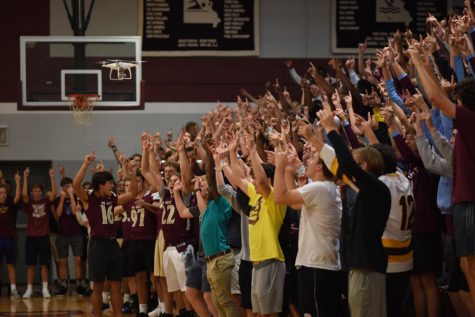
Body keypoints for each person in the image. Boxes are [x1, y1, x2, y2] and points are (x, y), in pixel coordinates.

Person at [314, 109, 391, 317]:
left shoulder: (377, 188)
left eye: (354, 164)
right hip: (361, 266)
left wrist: (331, 129)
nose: (347, 171)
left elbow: (345, 164)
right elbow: (340, 166)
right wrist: (313, 140)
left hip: (367, 268)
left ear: (364, 166)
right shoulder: (367, 189)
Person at [273, 146, 343, 317]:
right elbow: (295, 203)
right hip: (320, 264)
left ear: (320, 166)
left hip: (316, 265)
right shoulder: (326, 187)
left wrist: (280, 167)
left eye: (312, 158)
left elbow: (280, 197)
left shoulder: (319, 187)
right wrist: (289, 172)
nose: (307, 160)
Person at [73, 151, 137, 317]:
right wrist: (86, 164)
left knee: (116, 285)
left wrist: (132, 172)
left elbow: (133, 194)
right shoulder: (89, 199)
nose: (113, 185)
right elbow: (75, 185)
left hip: (112, 244)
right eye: (110, 183)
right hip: (97, 246)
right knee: (98, 287)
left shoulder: (112, 198)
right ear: (101, 185)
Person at [230, 133, 287, 317]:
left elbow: (261, 181)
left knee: (270, 314)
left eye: (255, 177)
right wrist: (231, 153)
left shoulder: (273, 198)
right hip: (257, 262)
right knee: (261, 313)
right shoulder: (256, 196)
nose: (253, 180)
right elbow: (238, 179)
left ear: (270, 181)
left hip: (270, 259)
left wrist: (253, 150)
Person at [21, 167, 57, 299]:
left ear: (42, 193)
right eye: (34, 191)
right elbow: (24, 195)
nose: (37, 193)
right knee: (30, 265)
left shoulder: (45, 202)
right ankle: (29, 289)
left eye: (39, 191)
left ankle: (45, 288)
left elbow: (53, 193)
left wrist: (52, 177)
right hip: (31, 237)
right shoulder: (29, 202)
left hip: (43, 236)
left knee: (43, 264)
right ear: (32, 193)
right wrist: (25, 178)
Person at [54, 177, 86, 296]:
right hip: (62, 234)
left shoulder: (78, 198)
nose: (68, 189)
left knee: (78, 260)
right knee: (62, 261)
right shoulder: (58, 199)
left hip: (76, 233)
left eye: (70, 186)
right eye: (66, 186)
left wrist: (72, 196)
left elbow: (74, 212)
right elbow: (57, 215)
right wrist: (63, 198)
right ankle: (63, 284)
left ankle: (78, 284)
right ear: (62, 188)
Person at [0, 172, 21, 298]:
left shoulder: (10, 203)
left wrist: (18, 181)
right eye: (0, 193)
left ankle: (13, 289)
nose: (3, 195)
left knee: (10, 264)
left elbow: (17, 196)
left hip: (9, 238)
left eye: (4, 193)